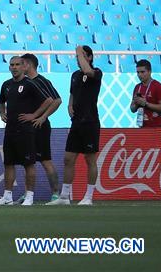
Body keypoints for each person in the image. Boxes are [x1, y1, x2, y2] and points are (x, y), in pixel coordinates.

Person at [0, 57, 53, 206]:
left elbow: (49, 100)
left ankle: (30, 196)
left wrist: (35, 115)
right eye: (12, 65)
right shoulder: (6, 85)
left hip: (26, 130)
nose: (14, 67)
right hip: (10, 130)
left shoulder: (30, 84)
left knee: (28, 164)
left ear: (23, 67)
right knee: (9, 163)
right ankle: (7, 196)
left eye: (17, 65)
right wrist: (2, 113)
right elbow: (1, 101)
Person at [49, 45, 103, 206]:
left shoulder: (97, 72)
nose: (78, 59)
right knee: (68, 159)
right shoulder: (75, 76)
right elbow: (72, 94)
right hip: (76, 122)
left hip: (90, 122)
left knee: (90, 159)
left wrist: (79, 51)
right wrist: (69, 105)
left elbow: (88, 71)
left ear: (90, 57)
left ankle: (88, 196)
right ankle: (65, 196)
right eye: (77, 56)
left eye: (81, 56)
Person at [19, 53, 63, 203]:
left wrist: (42, 117)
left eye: (21, 63)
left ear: (28, 65)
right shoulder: (23, 82)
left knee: (45, 160)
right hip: (26, 128)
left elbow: (57, 100)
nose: (18, 67)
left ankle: (56, 194)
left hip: (40, 126)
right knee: (28, 162)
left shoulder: (41, 81)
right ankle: (27, 194)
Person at [130, 59, 161, 128]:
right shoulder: (137, 87)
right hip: (141, 127)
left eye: (142, 72)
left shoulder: (158, 86)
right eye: (138, 72)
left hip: (156, 128)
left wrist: (146, 104)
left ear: (150, 71)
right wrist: (136, 104)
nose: (139, 75)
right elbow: (132, 109)